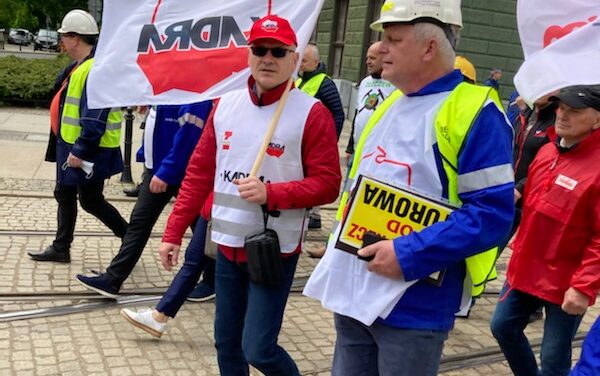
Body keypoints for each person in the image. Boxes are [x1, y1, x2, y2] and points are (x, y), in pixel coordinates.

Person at [303, 1, 514, 375]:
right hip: (354, 293)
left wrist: (407, 252)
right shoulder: (393, 103)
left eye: (392, 39)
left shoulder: (476, 111)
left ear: (429, 47)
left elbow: (492, 215)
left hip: (414, 305)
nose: (380, 48)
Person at [159, 15, 341, 375]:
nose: (267, 58)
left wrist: (272, 193)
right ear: (249, 54)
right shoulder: (224, 105)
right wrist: (173, 232)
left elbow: (329, 184)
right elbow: (198, 173)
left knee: (258, 348)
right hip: (226, 246)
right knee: (227, 344)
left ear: (294, 58)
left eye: (278, 51)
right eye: (260, 49)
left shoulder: (311, 113)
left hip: (273, 250)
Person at [491, 85, 600, 376]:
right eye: (561, 108)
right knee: (502, 327)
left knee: (553, 357)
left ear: (598, 120)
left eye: (575, 111)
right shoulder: (548, 150)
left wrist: (584, 286)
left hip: (566, 279)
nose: (563, 115)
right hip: (526, 267)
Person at [75, 102, 213, 298]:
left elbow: (188, 136)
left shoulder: (191, 93)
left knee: (200, 225)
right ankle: (113, 279)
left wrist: (166, 171)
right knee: (142, 222)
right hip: (160, 168)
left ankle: (212, 280)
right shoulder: (166, 88)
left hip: (176, 171)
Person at [28, 9, 127, 263]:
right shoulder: (80, 66)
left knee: (91, 200)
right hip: (71, 147)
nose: (61, 41)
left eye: (64, 36)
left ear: (75, 38)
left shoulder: (94, 69)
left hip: (86, 150)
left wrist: (80, 150)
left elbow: (94, 119)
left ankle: (129, 237)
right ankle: (61, 248)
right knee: (65, 192)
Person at [296, 43, 345, 230]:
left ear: (316, 62)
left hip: (317, 143)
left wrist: (332, 140)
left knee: (314, 175)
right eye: (300, 60)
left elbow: (338, 113)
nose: (301, 64)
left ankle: (314, 216)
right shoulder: (300, 81)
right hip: (301, 140)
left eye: (305, 61)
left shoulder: (325, 83)